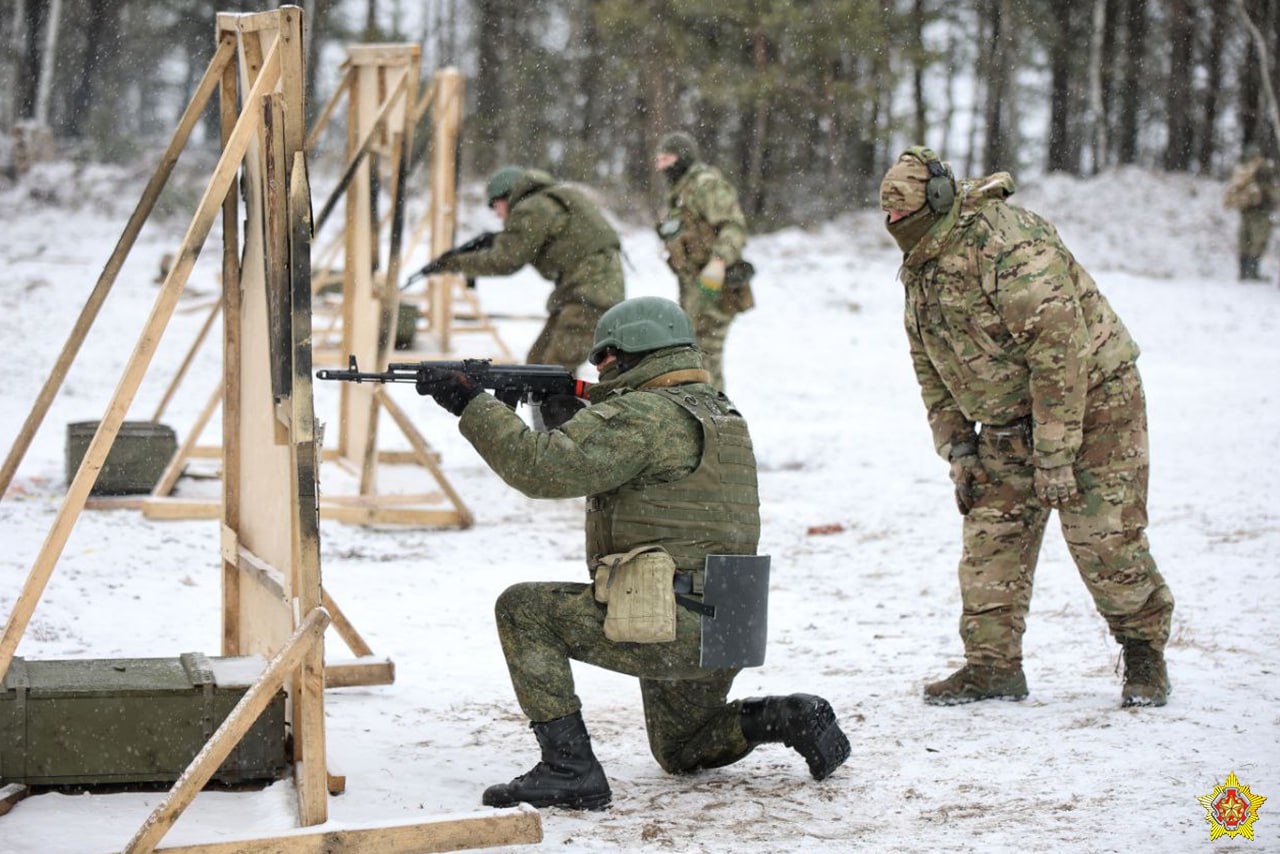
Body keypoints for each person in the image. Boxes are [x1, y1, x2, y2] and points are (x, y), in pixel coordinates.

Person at [419, 296, 851, 810]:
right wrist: (563, 415)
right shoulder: (718, 410)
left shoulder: (644, 415)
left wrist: (471, 403)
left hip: (673, 620)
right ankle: (791, 715)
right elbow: (636, 472)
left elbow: (538, 469)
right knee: (682, 748)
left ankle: (569, 767)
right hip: (730, 620)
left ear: (630, 353)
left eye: (602, 359)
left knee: (523, 610)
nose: (597, 369)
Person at [879, 146, 1175, 709]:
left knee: (1102, 537)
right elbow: (930, 362)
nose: (896, 229)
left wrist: (1057, 455)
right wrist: (959, 445)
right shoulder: (924, 260)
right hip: (1010, 417)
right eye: (890, 221)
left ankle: (1143, 653)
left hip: (1093, 403)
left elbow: (1060, 349)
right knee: (992, 534)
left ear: (938, 203)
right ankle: (992, 667)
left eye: (905, 220)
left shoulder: (1007, 245)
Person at [429, 166, 625, 372]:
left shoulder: (532, 208)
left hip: (590, 296)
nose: (497, 214)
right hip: (584, 294)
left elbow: (505, 260)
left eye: (495, 205)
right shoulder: (547, 201)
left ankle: (562, 404)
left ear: (508, 195)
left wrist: (455, 262)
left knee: (552, 373)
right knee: (537, 365)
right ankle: (554, 403)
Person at [654, 131, 754, 391]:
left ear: (682, 158)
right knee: (692, 359)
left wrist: (718, 261)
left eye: (667, 158)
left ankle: (719, 424)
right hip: (693, 286)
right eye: (659, 159)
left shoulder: (705, 185)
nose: (660, 165)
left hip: (714, 287)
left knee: (705, 360)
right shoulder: (681, 190)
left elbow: (734, 227)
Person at [1223, 144, 1277, 281]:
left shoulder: (1242, 169)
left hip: (1246, 211)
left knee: (1245, 241)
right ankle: (1252, 273)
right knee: (1258, 241)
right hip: (1260, 211)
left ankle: (1243, 273)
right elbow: (1269, 188)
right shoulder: (1263, 168)